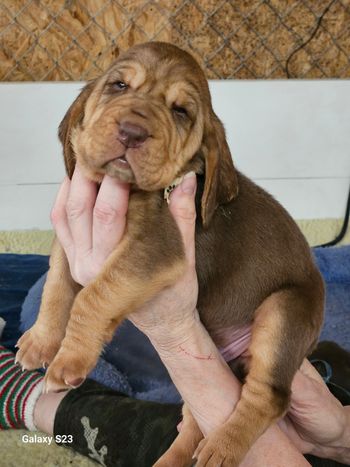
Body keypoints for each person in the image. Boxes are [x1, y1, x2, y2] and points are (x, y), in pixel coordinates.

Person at [0, 165, 349, 467]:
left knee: (170, 433)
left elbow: (155, 262)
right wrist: (339, 433)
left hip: (270, 308)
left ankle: (36, 404)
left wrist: (174, 330)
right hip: (258, 333)